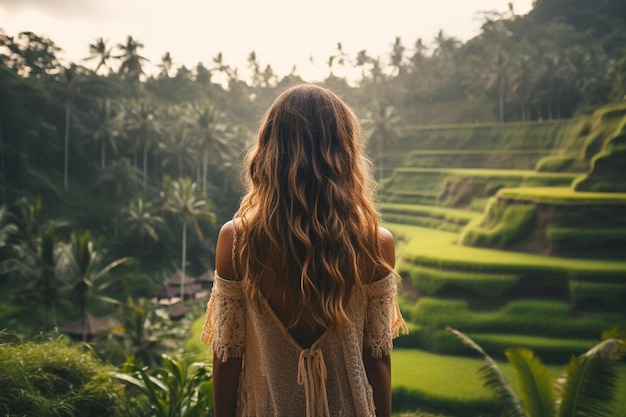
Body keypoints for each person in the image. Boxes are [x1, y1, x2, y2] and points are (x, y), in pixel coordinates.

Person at [201, 84, 407, 417]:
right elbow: (377, 358)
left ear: (270, 151)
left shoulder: (237, 240)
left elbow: (227, 356)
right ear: (344, 154)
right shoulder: (375, 244)